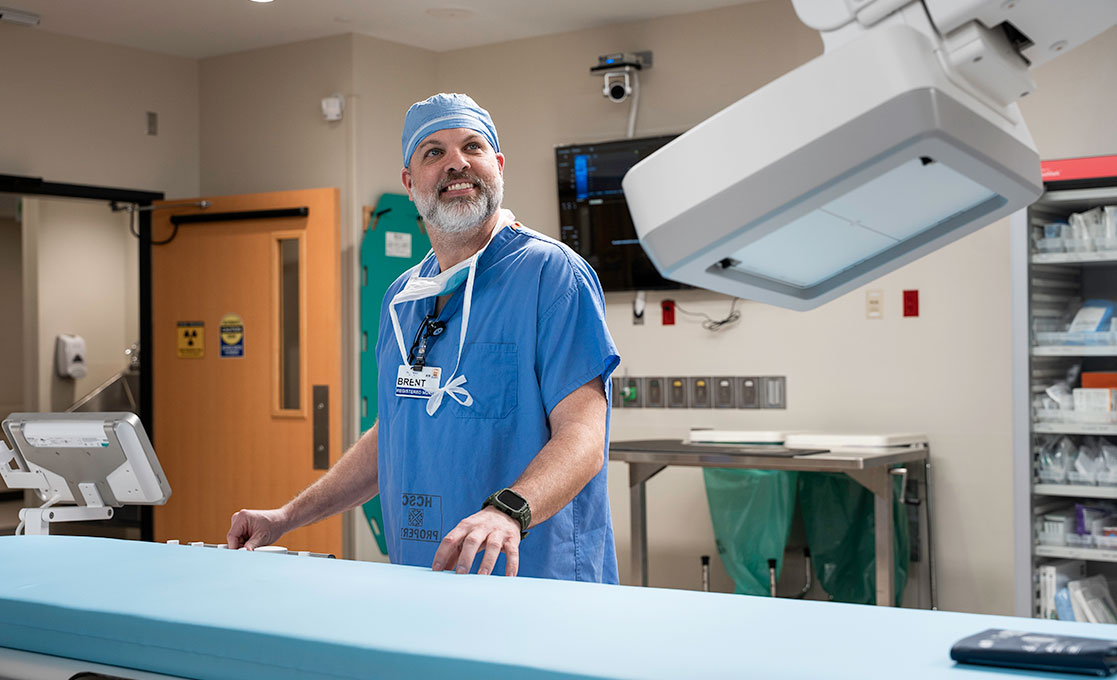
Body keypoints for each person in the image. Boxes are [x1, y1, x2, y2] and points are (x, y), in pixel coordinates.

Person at [228, 93, 621, 582]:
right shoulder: (404, 298)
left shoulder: (551, 274)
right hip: (423, 576)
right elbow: (393, 435)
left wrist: (508, 512)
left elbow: (584, 436)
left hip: (534, 579)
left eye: (473, 147)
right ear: (410, 184)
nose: (457, 163)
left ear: (498, 167)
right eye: (434, 152)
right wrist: (287, 517)